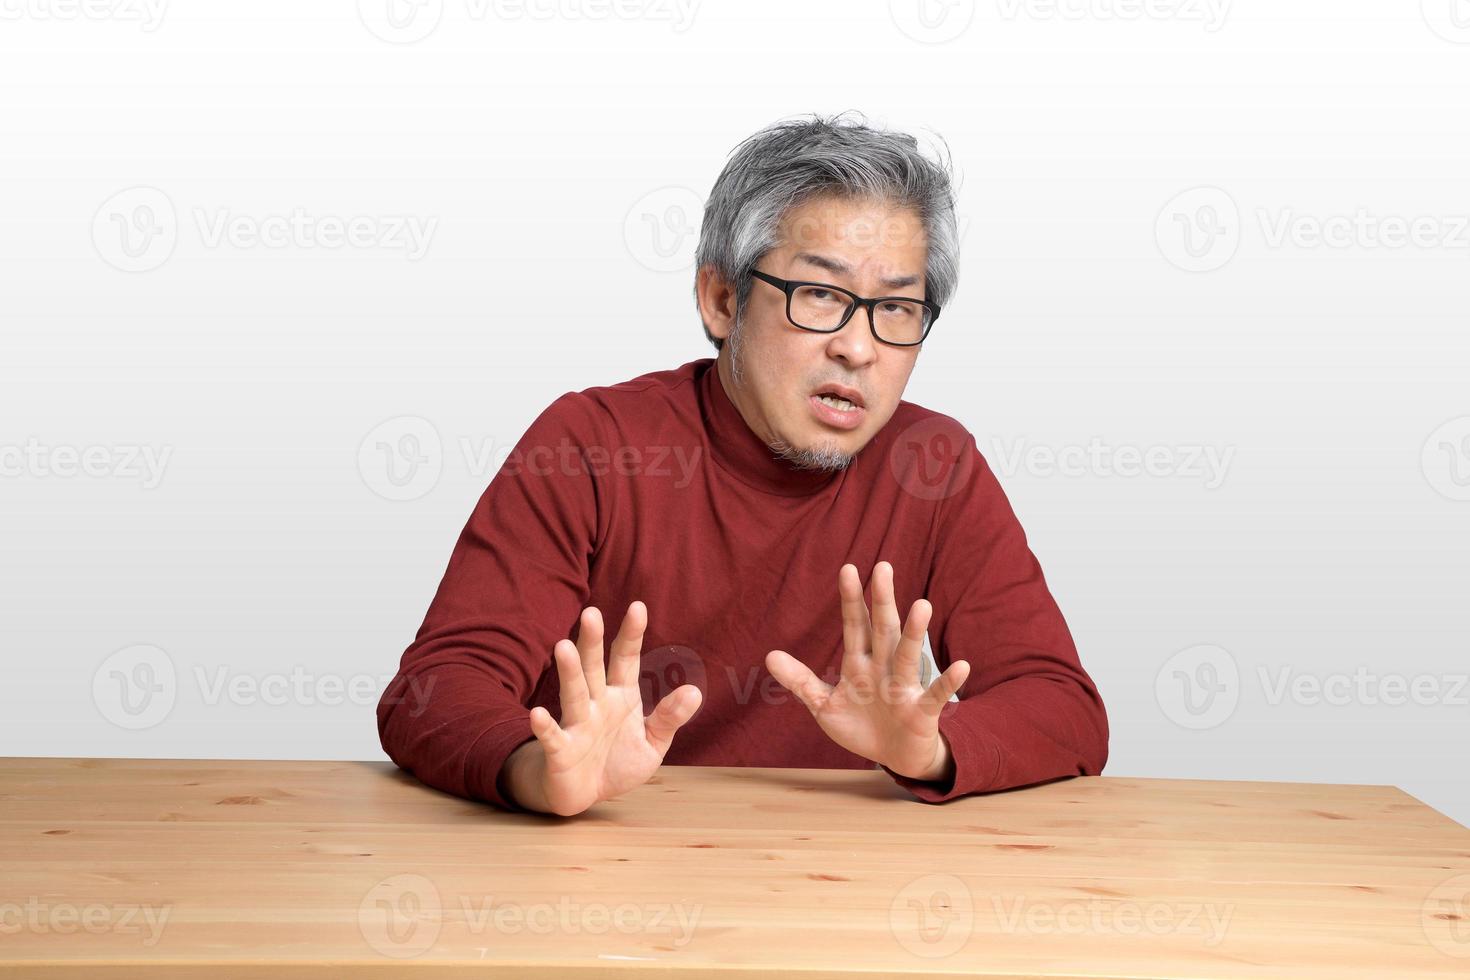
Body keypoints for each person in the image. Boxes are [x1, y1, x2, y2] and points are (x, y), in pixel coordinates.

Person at [377, 111, 1108, 816]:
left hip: (837, 891)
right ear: (722, 300)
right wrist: (535, 773)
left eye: (896, 309)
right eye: (820, 294)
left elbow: (1063, 708)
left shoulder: (934, 466)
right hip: (597, 877)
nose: (859, 348)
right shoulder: (592, 444)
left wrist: (934, 750)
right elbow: (437, 687)